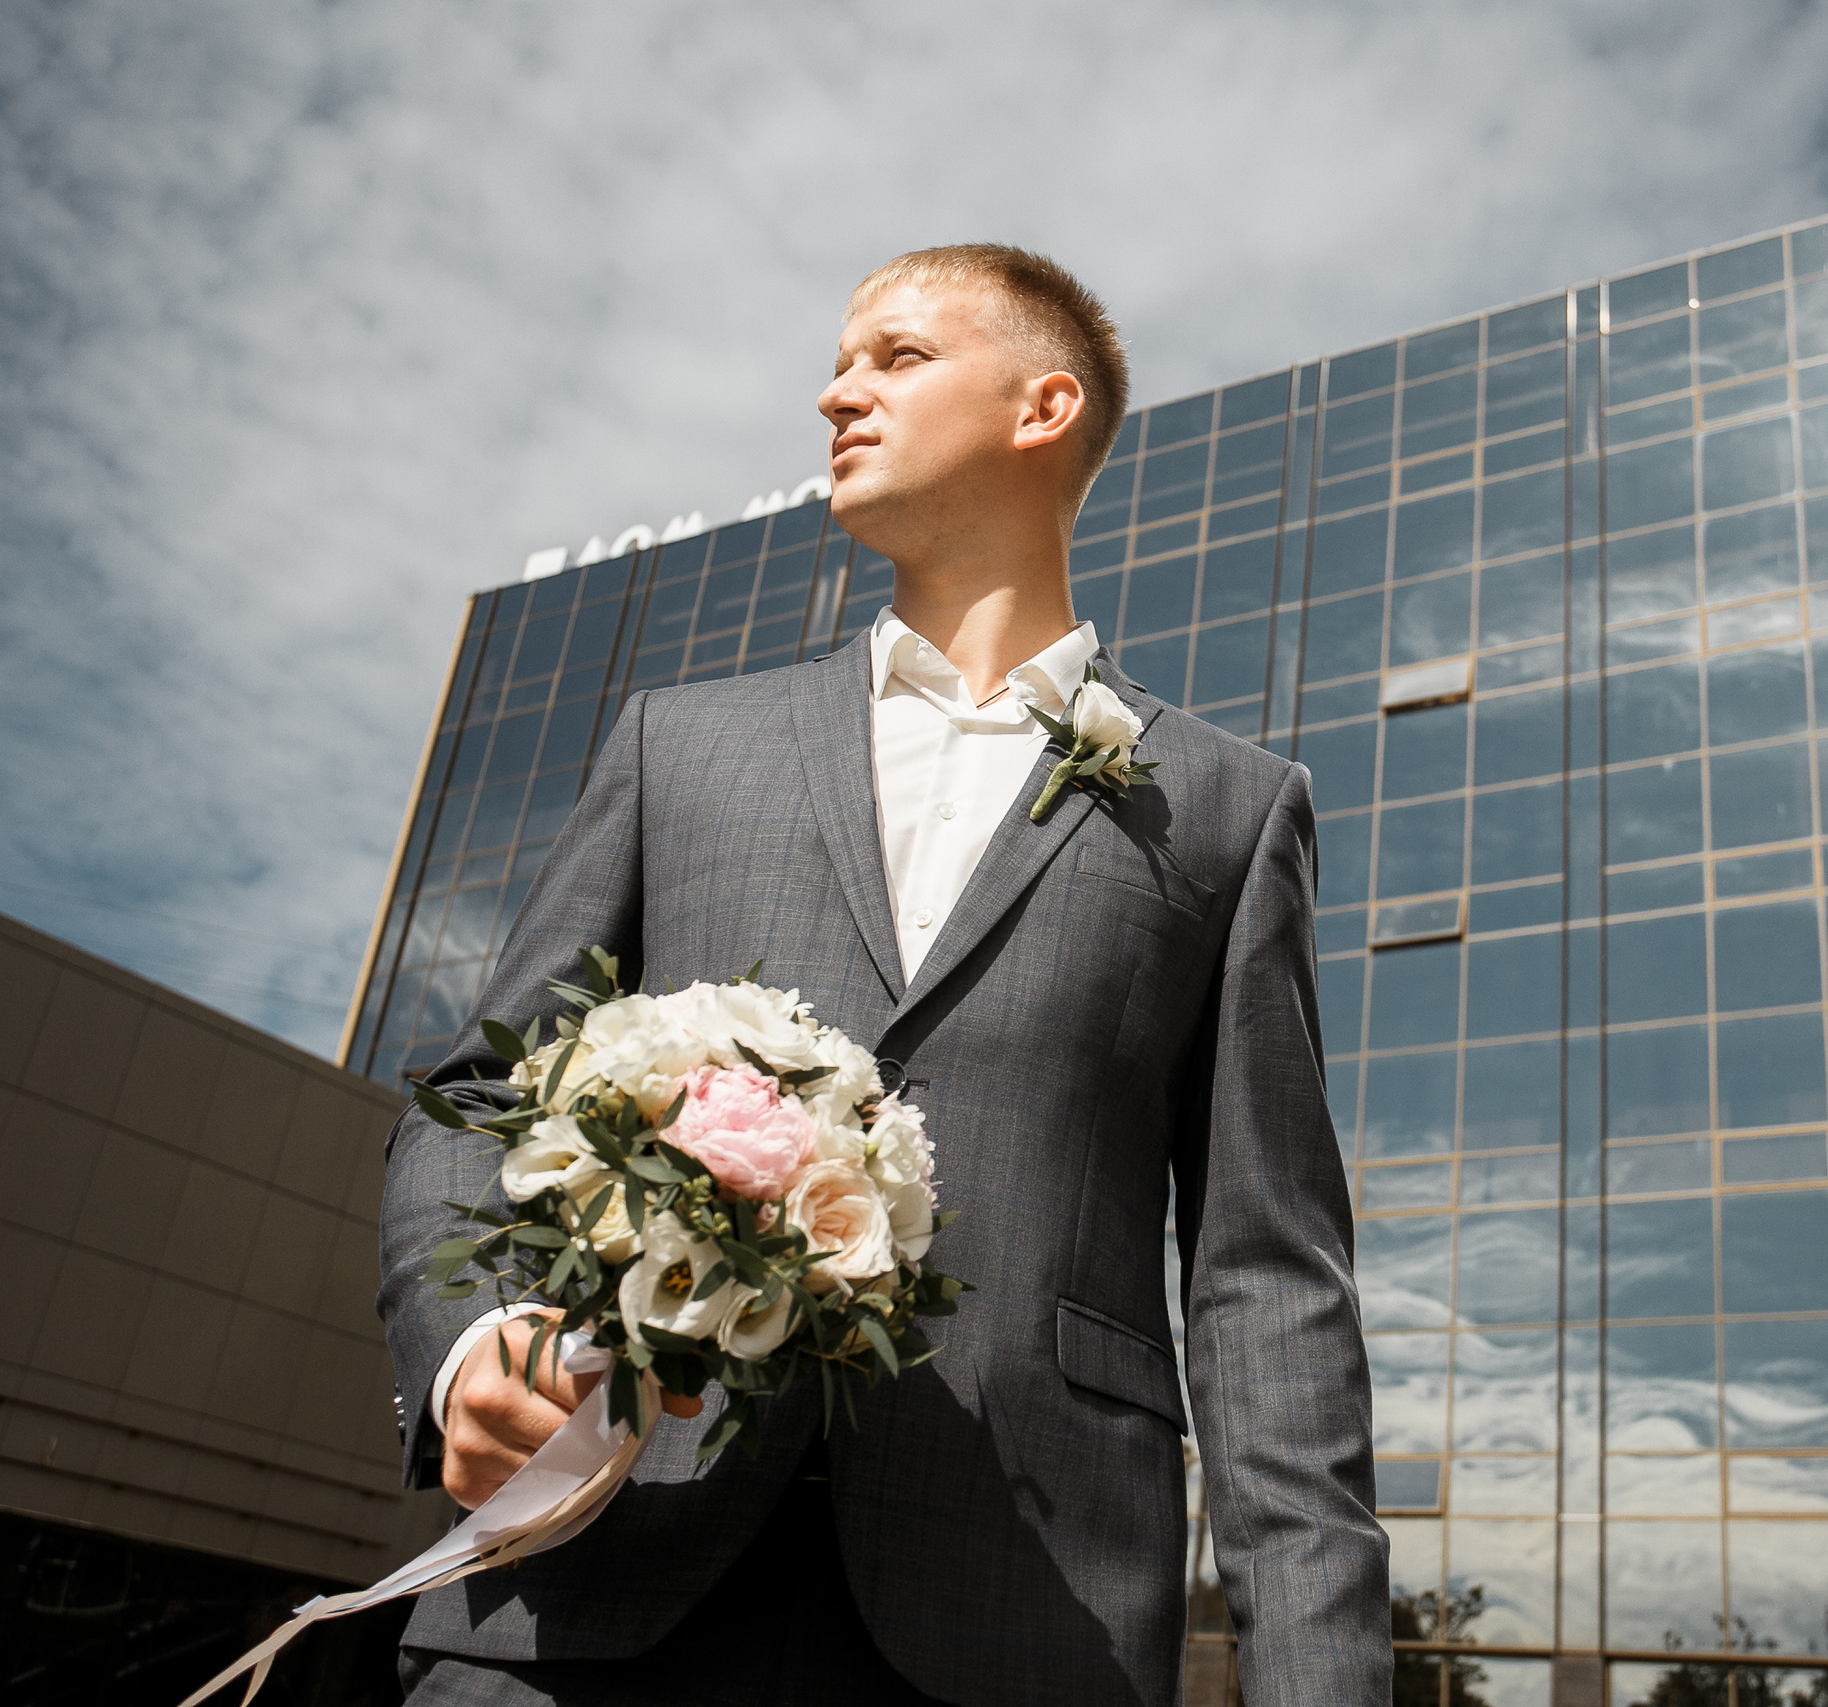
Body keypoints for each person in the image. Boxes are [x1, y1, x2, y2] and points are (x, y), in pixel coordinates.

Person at [378, 244, 1389, 1707]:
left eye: (893, 357)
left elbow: (1263, 1279)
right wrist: (473, 1338)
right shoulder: (681, 743)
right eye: (842, 363)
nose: (833, 392)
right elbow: (476, 1094)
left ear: (1042, 408)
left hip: (1022, 1615)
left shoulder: (1229, 809)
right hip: (595, 1575)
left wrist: (1322, 1681)